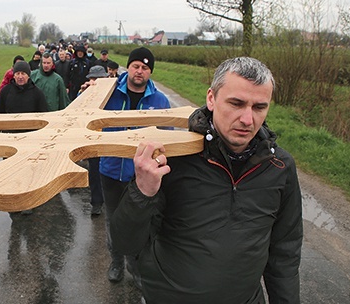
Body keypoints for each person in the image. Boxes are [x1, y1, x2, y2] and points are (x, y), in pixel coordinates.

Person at [111, 57, 303, 304]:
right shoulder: (174, 160)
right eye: (236, 103)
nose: (247, 119)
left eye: (258, 107)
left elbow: (284, 255)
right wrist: (142, 192)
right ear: (211, 99)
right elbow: (126, 243)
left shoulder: (279, 167)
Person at [99, 47, 171, 285]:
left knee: (139, 223)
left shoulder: (159, 101)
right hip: (110, 171)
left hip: (140, 178)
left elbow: (167, 138)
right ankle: (116, 262)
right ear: (127, 67)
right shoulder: (107, 93)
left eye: (145, 68)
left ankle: (136, 267)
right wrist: (87, 93)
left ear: (150, 72)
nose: (140, 71)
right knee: (113, 221)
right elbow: (80, 115)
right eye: (136, 66)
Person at [77, 65, 109, 216]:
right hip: (92, 139)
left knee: (109, 173)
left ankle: (110, 201)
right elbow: (76, 112)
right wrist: (82, 94)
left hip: (108, 138)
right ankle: (96, 202)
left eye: (99, 79)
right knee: (94, 173)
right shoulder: (84, 93)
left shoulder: (112, 93)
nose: (95, 82)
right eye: (93, 79)